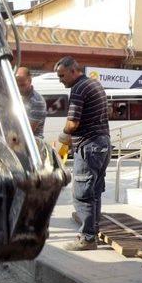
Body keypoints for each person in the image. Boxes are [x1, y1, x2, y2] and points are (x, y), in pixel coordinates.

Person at [55, 56, 111, 251]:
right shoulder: (94, 84)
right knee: (94, 192)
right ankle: (92, 233)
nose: (60, 79)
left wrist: (64, 135)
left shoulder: (78, 89)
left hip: (89, 147)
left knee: (82, 194)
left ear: (73, 71)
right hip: (102, 144)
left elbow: (73, 123)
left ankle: (87, 239)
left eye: (62, 75)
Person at [15, 67, 47, 138]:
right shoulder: (15, 96)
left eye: (22, 85)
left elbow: (28, 130)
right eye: (17, 85)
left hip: (32, 143)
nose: (19, 88)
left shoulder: (37, 101)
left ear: (30, 80)